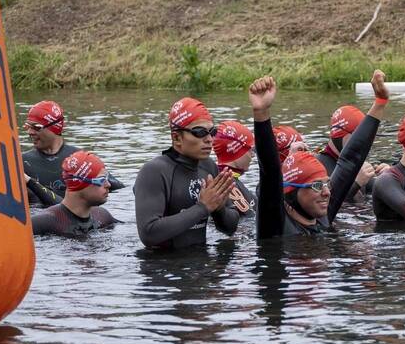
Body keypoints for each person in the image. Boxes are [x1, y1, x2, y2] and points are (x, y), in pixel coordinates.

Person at [251, 71, 389, 238]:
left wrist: (380, 102)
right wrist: (261, 113)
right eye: (317, 185)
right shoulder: (275, 224)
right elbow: (270, 171)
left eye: (327, 184)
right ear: (292, 191)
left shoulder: (322, 215)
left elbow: (350, 159)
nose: (327, 192)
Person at [133, 97, 241, 249]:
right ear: (176, 137)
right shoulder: (154, 172)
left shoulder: (208, 167)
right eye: (200, 132)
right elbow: (148, 233)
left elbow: (230, 229)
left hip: (202, 259)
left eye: (212, 132)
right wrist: (202, 208)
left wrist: (219, 209)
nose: (209, 139)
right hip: (164, 262)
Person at [22, 100, 124, 205]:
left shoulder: (81, 161)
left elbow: (121, 193)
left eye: (36, 127)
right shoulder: (21, 163)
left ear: (55, 127)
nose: (30, 132)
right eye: (27, 126)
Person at [32, 151, 118, 236]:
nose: (108, 185)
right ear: (79, 183)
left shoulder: (102, 216)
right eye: (101, 180)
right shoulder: (42, 223)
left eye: (106, 178)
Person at [314, 104, 382, 202]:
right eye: (359, 137)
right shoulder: (317, 167)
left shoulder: (356, 162)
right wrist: (356, 184)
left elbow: (380, 192)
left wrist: (389, 176)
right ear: (339, 134)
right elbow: (327, 206)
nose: (364, 143)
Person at [212, 120, 256, 217]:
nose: (253, 155)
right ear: (237, 151)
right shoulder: (227, 184)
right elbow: (251, 219)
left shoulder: (226, 178)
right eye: (250, 149)